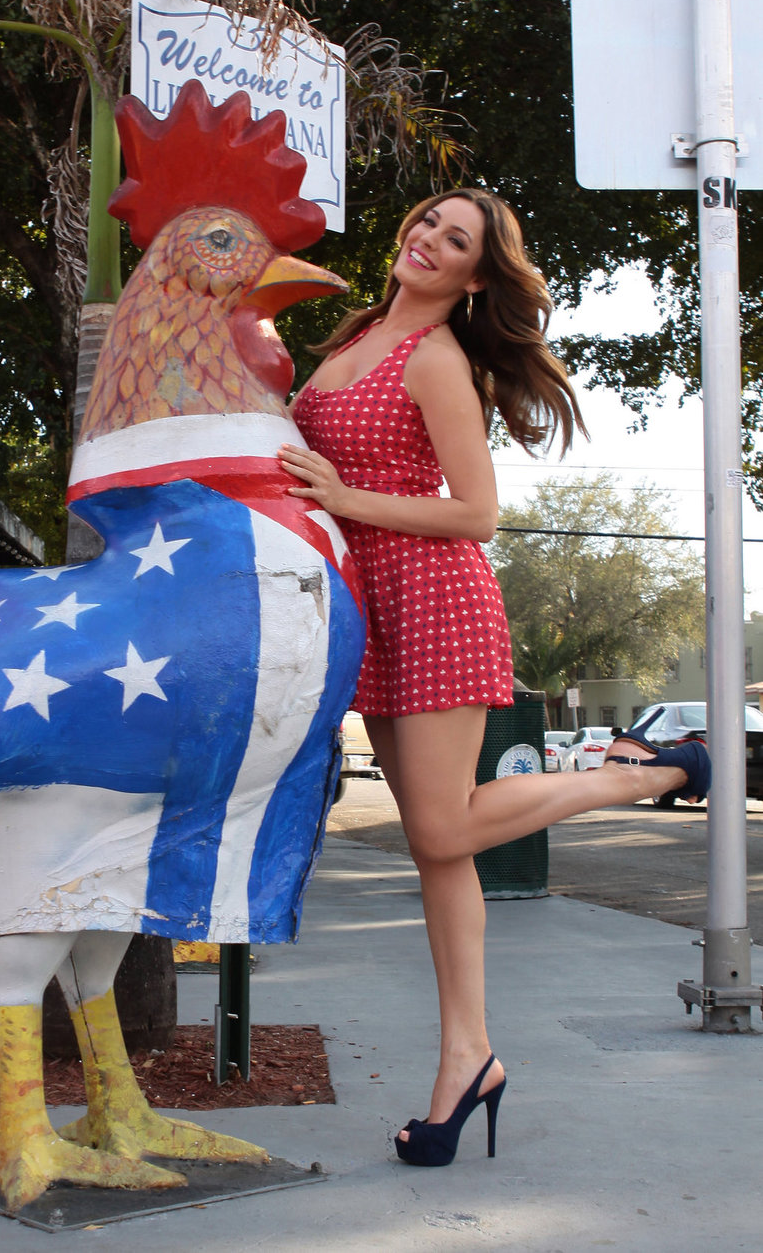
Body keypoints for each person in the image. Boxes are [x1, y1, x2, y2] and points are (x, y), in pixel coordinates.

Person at [278, 188, 710, 1168]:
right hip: (367, 609)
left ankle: (649, 770)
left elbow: (476, 513)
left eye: (454, 240)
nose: (426, 239)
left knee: (438, 826)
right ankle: (466, 1060)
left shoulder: (432, 358)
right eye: (425, 222)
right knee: (442, 854)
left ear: (475, 276)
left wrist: (346, 497)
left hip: (430, 596)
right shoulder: (354, 332)